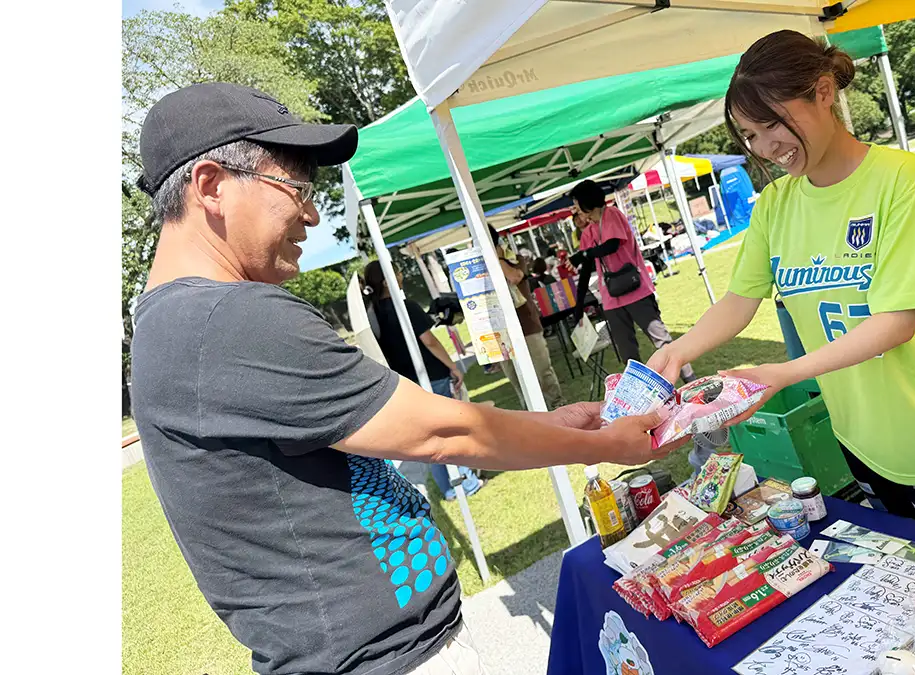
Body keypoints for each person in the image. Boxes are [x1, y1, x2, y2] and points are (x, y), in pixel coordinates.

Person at [130, 82, 687, 675]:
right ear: (212, 186)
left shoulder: (180, 322)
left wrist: (549, 422)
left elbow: (407, 426)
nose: (312, 215)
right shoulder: (227, 318)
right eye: (296, 189)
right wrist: (602, 445)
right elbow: (440, 435)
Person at [647, 31, 915, 544]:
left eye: (771, 124)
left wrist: (779, 373)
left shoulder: (901, 179)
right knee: (910, 578)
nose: (766, 147)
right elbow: (738, 300)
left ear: (822, 91)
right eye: (749, 135)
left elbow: (897, 322)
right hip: (857, 438)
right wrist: (679, 349)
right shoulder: (775, 204)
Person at [362, 259, 484, 502]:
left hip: (405, 385)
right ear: (387, 281)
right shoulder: (406, 307)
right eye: (396, 271)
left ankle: (449, 487)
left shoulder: (372, 316)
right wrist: (453, 366)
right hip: (431, 377)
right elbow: (429, 341)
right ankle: (466, 481)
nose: (401, 275)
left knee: (430, 436)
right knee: (449, 431)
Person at [568, 179, 695, 385]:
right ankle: (640, 396)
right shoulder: (589, 231)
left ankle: (691, 381)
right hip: (611, 298)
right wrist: (579, 303)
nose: (575, 209)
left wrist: (584, 254)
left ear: (587, 202)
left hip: (636, 290)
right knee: (627, 353)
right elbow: (585, 268)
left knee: (662, 341)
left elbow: (612, 245)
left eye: (577, 203)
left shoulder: (612, 215)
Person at [488, 226, 568, 410]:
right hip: (499, 332)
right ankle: (531, 415)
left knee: (542, 372)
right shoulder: (477, 269)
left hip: (527, 325)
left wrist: (497, 257)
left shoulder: (515, 259)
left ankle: (559, 406)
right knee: (515, 378)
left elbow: (514, 277)